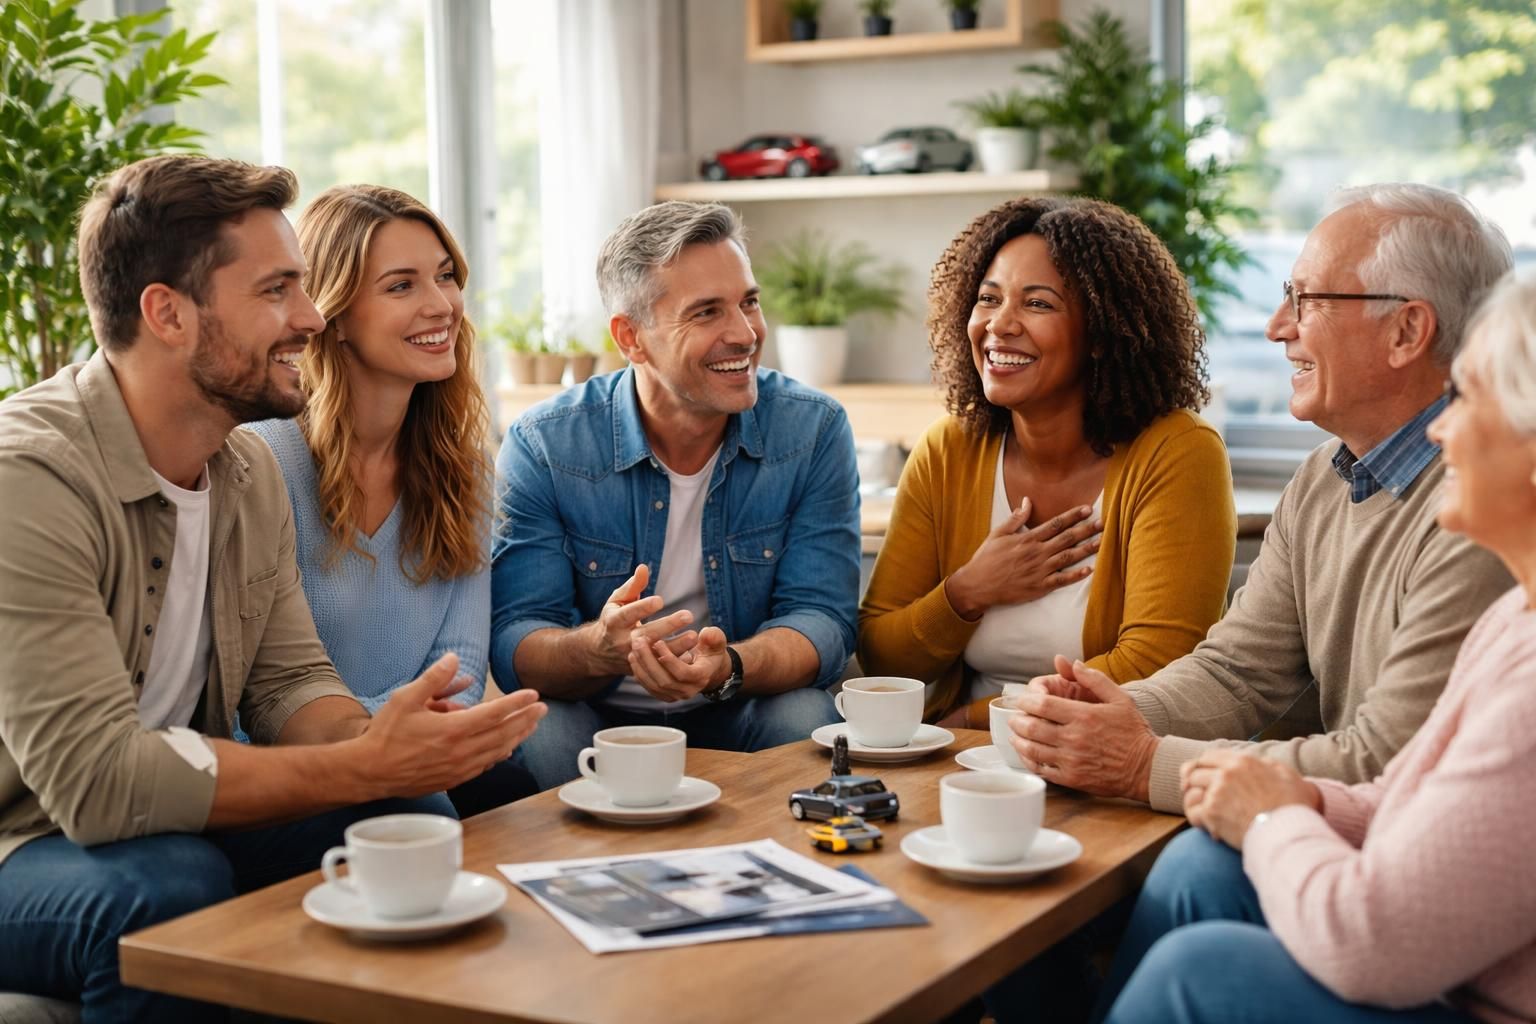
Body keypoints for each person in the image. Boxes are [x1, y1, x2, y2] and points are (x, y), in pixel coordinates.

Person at [0, 156, 545, 1022]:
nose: (310, 316)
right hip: (26, 837)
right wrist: (354, 764)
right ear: (168, 314)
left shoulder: (243, 471)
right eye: (276, 290)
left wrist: (383, 745)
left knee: (407, 809)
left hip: (163, 817)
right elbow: (98, 784)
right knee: (167, 885)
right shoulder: (29, 478)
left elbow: (290, 682)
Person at [1098, 270, 1536, 1024]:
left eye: (1469, 399)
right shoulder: (1514, 619)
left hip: (1472, 993)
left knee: (1196, 974)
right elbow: (1406, 796)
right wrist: (1299, 800)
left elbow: (1377, 944)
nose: (1442, 429)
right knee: (1202, 865)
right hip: (1440, 956)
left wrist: (1269, 817)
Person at [1009, 183, 1515, 812]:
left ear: (1406, 330)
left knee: (1178, 863)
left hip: (1411, 833)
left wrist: (1141, 763)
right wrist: (1110, 713)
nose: (1278, 328)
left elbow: (1387, 762)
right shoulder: (1323, 477)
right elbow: (1237, 673)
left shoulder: (1487, 507)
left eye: (1307, 300)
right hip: (1346, 824)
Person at [491, 200, 857, 790]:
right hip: (598, 718)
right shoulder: (545, 443)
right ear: (631, 338)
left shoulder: (812, 429)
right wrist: (599, 647)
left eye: (749, 302)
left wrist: (728, 665)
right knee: (541, 732)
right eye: (707, 312)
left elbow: (824, 619)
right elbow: (517, 637)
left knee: (804, 717)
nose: (745, 334)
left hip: (736, 704)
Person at [858, 196, 1235, 727]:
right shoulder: (947, 451)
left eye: (1037, 304)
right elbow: (881, 659)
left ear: (1102, 333)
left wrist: (976, 721)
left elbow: (1158, 666)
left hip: (1099, 756)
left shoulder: (1178, 452)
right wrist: (967, 592)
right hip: (960, 760)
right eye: (988, 299)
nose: (1000, 324)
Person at [246, 184, 538, 818]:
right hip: (292, 766)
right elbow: (250, 702)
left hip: (418, 750)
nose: (441, 306)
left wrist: (415, 735)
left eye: (445, 277)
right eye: (401, 286)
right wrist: (385, 735)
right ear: (333, 315)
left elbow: (460, 672)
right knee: (432, 806)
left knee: (522, 790)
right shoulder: (263, 458)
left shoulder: (464, 467)